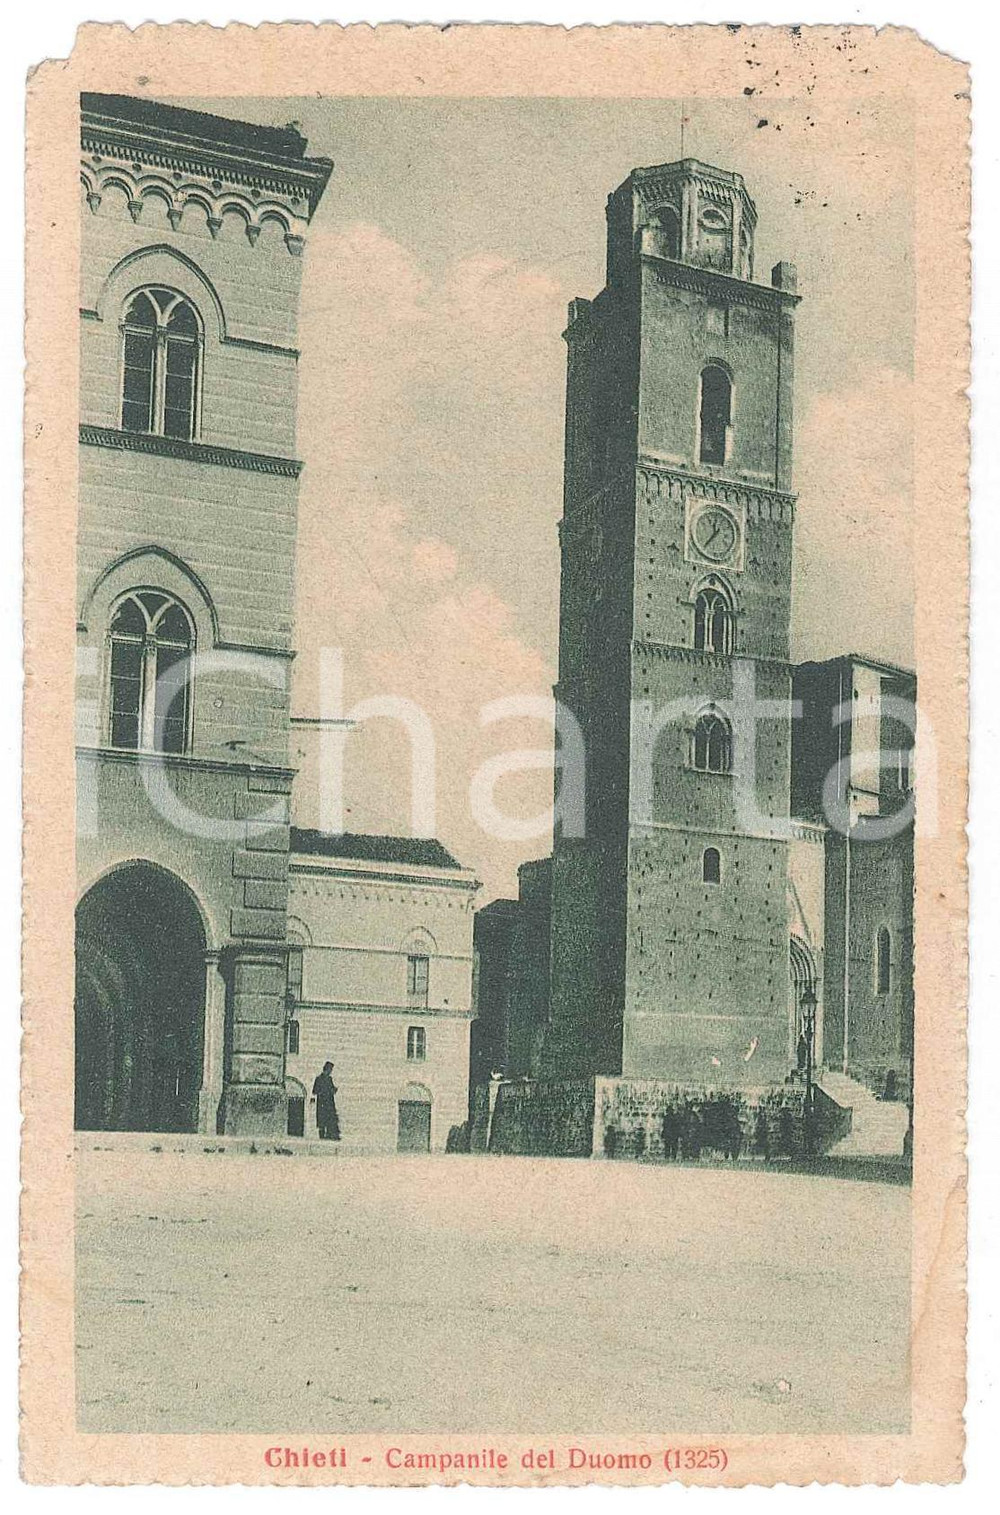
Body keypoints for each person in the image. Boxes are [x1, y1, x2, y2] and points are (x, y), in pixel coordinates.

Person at [311, 1061, 341, 1141]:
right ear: (326, 1069)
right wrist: (323, 1091)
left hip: (329, 1103)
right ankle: (322, 1136)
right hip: (322, 1103)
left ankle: (330, 1135)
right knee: (322, 1120)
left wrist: (333, 1090)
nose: (331, 1072)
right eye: (330, 1070)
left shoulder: (329, 1079)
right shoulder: (318, 1079)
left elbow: (332, 1090)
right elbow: (314, 1091)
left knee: (330, 1119)